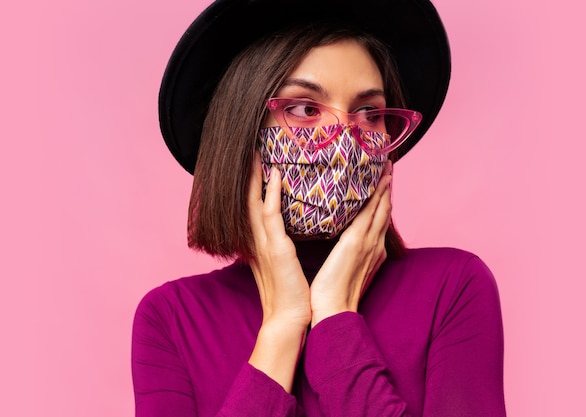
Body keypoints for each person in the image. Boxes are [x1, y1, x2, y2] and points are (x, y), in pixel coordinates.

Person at [131, 0, 506, 416]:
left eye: (368, 113)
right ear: (242, 132)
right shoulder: (172, 319)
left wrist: (334, 320)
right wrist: (282, 327)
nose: (344, 140)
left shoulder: (453, 288)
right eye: (306, 109)